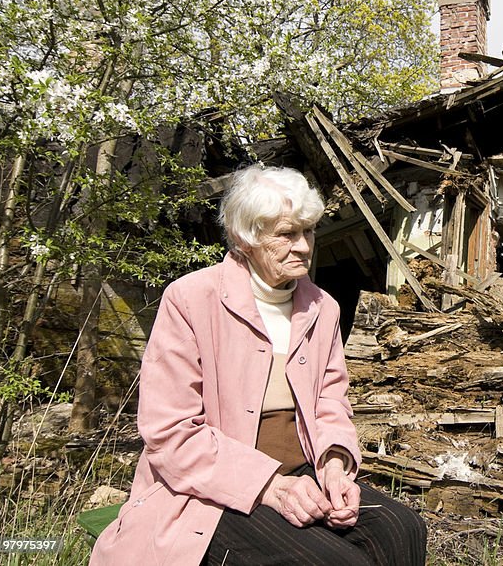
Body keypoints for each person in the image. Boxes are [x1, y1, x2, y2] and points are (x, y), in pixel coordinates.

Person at [91, 164, 426, 566]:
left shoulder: (323, 307)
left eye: (309, 231)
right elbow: (170, 432)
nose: (303, 246)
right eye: (286, 234)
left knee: (403, 527)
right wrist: (270, 485)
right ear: (245, 238)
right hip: (210, 485)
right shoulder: (190, 299)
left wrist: (335, 467)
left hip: (306, 469)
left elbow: (330, 403)